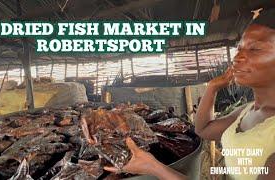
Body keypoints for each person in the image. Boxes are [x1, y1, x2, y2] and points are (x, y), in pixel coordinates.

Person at [104, 9, 275, 180]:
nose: (237, 57)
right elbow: (203, 130)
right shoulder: (246, 110)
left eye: (255, 49)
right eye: (239, 48)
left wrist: (152, 166)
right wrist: (212, 87)